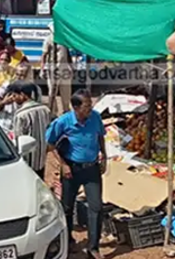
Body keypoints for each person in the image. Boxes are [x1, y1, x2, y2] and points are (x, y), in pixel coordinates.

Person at [45, 90, 107, 259]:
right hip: (71, 170)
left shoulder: (95, 117)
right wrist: (63, 165)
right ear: (76, 107)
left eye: (90, 105)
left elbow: (101, 136)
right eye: (86, 106)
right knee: (67, 207)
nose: (90, 108)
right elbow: (50, 144)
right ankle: (68, 240)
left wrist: (104, 156)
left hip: (91, 169)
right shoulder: (63, 122)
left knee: (96, 207)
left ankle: (93, 247)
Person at [6, 81, 51, 179]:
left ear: (22, 95)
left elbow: (19, 141)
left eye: (14, 95)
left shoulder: (21, 114)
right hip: (41, 160)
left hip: (27, 163)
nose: (13, 99)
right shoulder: (45, 109)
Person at [40, 22, 72, 117]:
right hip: (53, 69)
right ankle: (52, 113)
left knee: (66, 92)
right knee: (52, 92)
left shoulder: (64, 40)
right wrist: (42, 68)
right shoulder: (48, 40)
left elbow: (68, 54)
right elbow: (44, 55)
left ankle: (66, 111)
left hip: (65, 69)